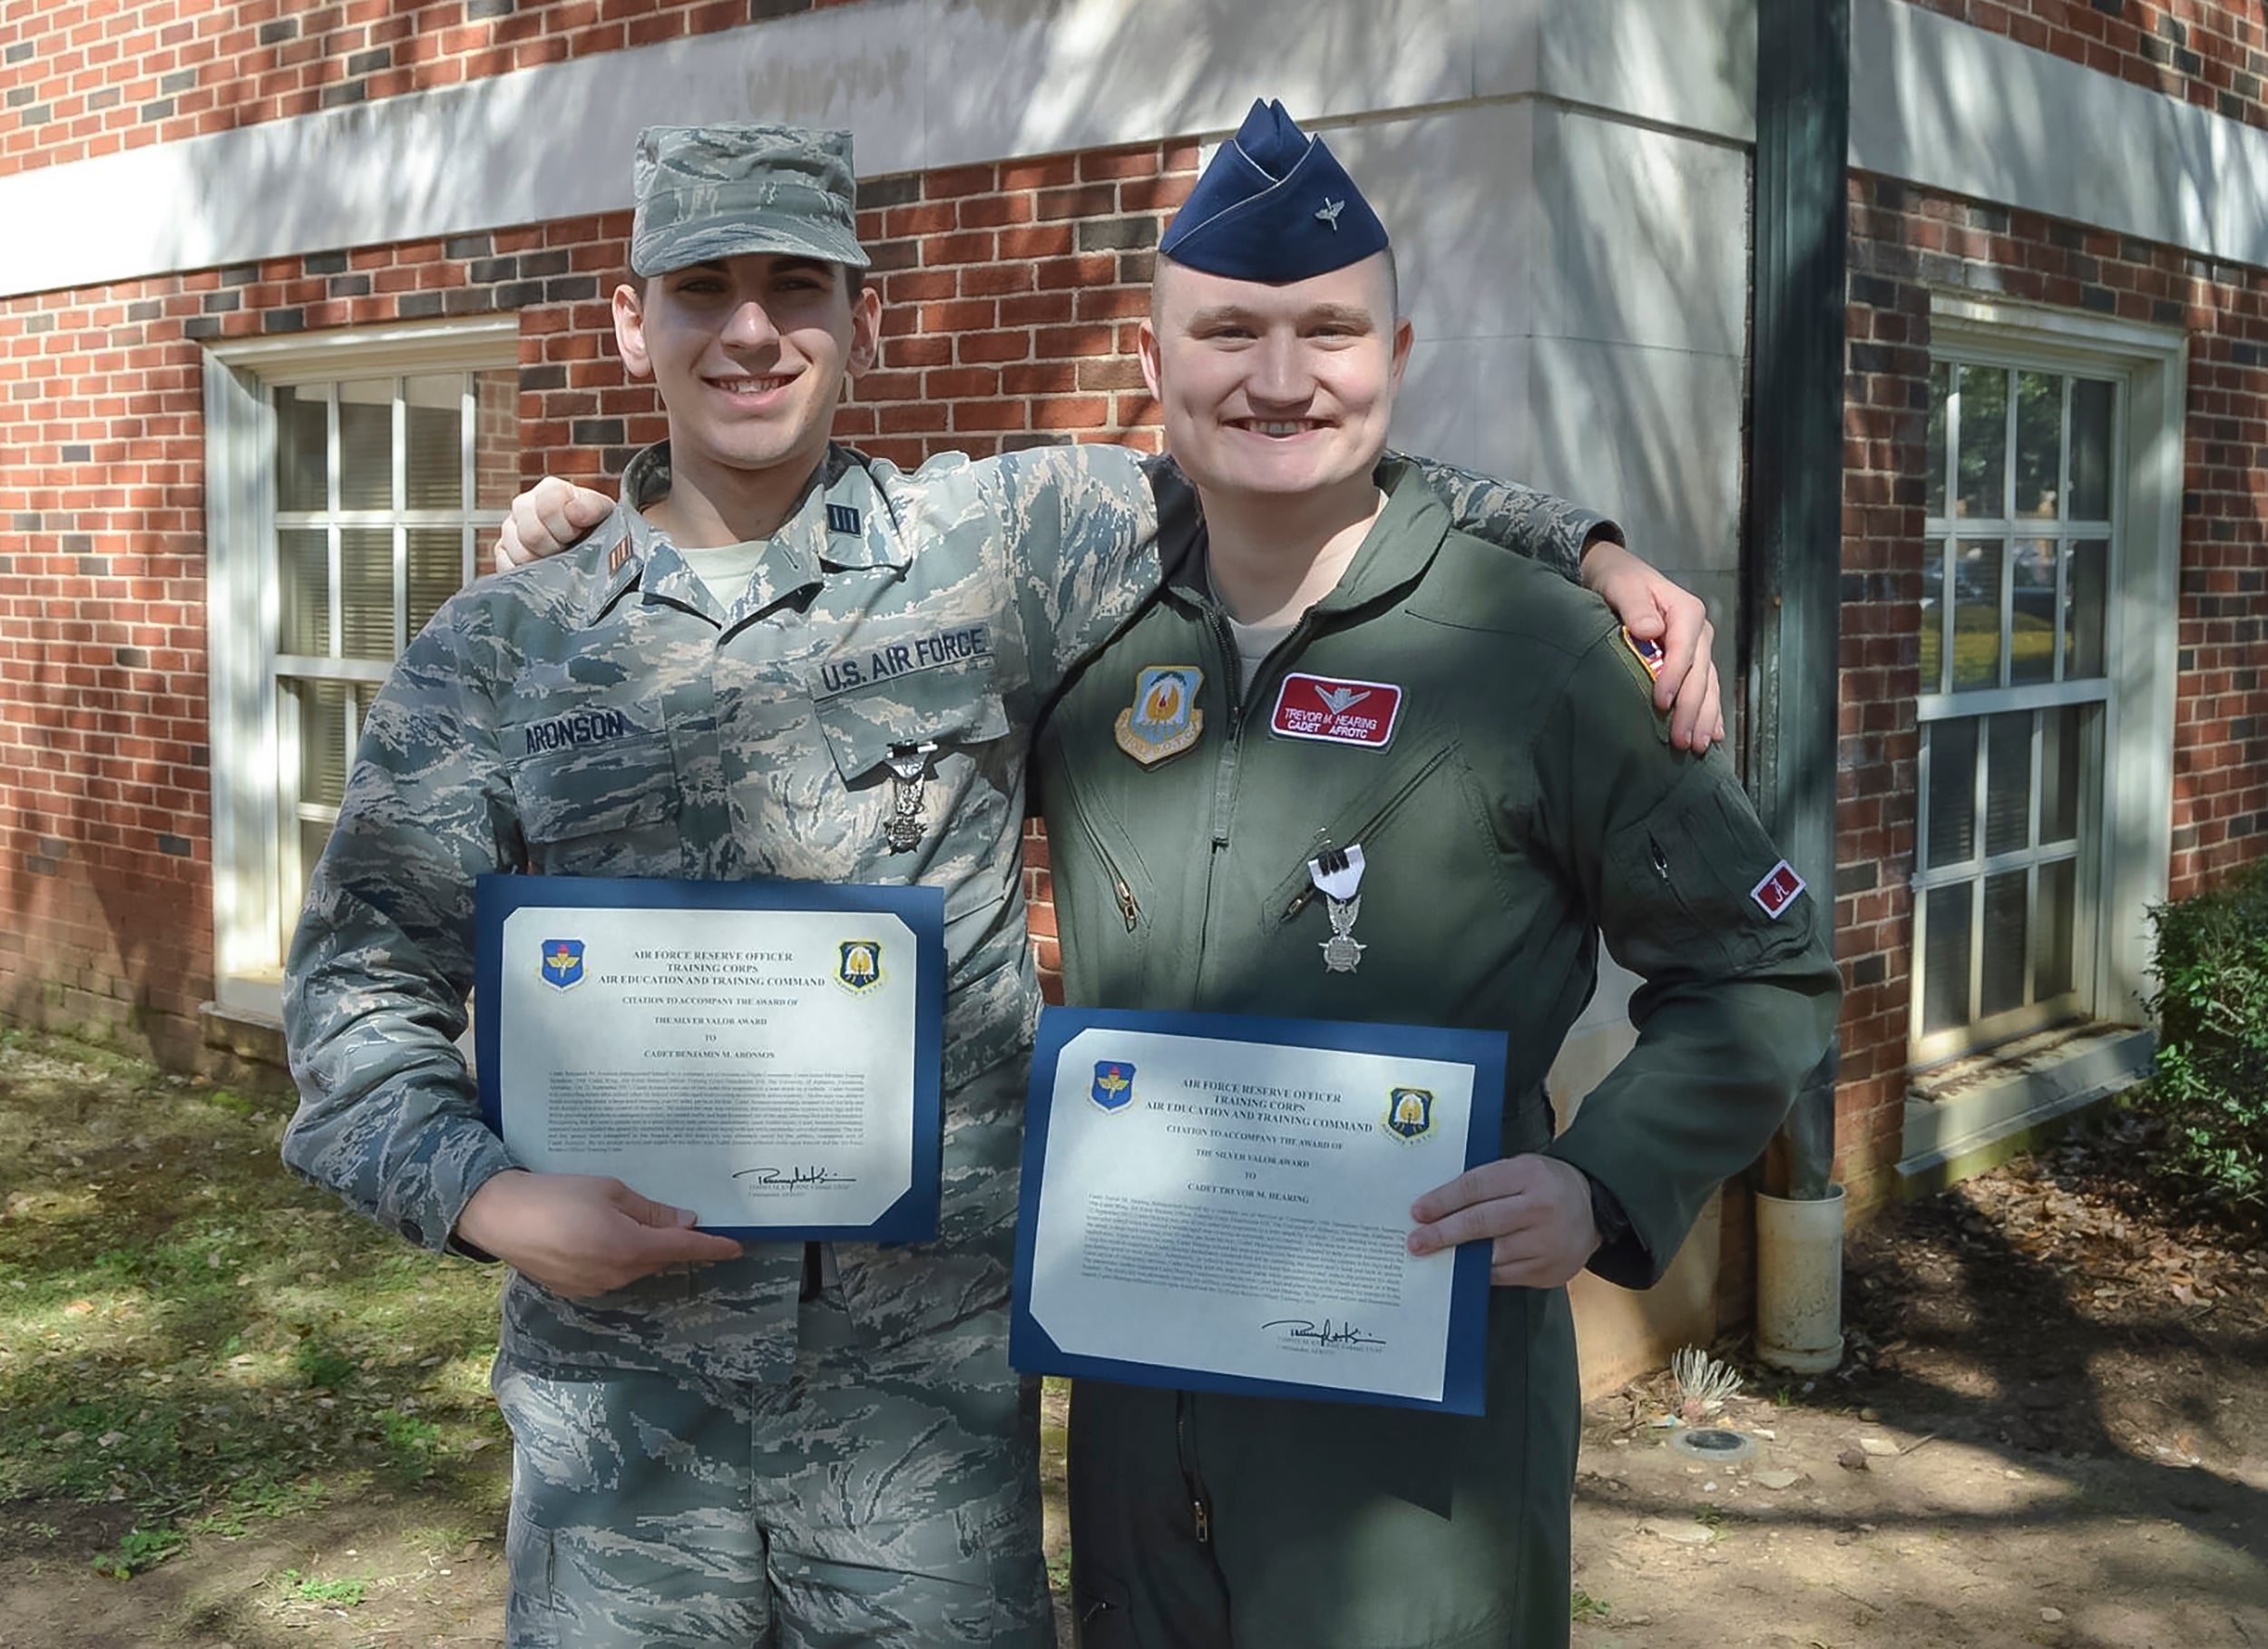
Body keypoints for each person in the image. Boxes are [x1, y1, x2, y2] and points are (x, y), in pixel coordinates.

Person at [290, 122, 1718, 1649]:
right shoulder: (501, 647)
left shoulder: (997, 548)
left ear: (866, 317)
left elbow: (1288, 450)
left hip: (921, 1439)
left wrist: (1581, 544)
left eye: (799, 285)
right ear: (632, 319)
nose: (754, 327)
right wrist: (492, 1203)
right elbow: (356, 990)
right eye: (703, 287)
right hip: (616, 1438)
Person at [1025, 102, 1843, 1648]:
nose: (1279, 377)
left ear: (1399, 352)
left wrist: (1602, 1182)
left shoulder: (1539, 652)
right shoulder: (1081, 636)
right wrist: (609, 531)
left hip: (1415, 1440)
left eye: (1328, 330)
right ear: (1153, 367)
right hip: (1138, 1407)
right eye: (1229, 332)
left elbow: (1762, 965)